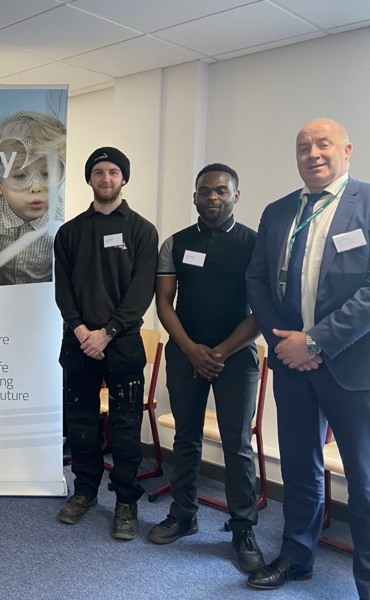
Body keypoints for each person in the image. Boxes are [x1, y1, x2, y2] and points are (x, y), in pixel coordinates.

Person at [245, 118, 370, 598]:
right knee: (299, 464)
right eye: (303, 146)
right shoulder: (278, 211)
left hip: (355, 365)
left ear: (346, 150)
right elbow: (257, 282)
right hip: (291, 365)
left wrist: (315, 342)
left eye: (323, 143)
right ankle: (296, 557)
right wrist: (286, 342)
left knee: (367, 481)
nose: (313, 153)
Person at [148, 163, 264, 572]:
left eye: (220, 191)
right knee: (187, 437)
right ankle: (184, 514)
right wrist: (192, 350)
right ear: (194, 196)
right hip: (185, 353)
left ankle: (243, 527)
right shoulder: (175, 243)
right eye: (204, 191)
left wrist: (220, 352)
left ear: (235, 195)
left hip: (237, 357)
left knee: (236, 445)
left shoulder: (255, 243)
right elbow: (164, 302)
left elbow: (262, 310)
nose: (211, 197)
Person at [54, 146, 158, 539]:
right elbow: (63, 290)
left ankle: (126, 503)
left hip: (123, 344)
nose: (106, 178)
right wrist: (82, 330)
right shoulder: (70, 233)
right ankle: (84, 493)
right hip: (79, 344)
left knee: (126, 425)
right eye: (99, 171)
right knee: (81, 423)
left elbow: (140, 293)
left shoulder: (142, 231)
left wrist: (107, 332)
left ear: (124, 179)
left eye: (114, 171)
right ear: (89, 179)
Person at [0, 111, 66, 285]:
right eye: (20, 176)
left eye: (47, 173)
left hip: (45, 293)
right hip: (1, 290)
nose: (36, 187)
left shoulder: (62, 218)